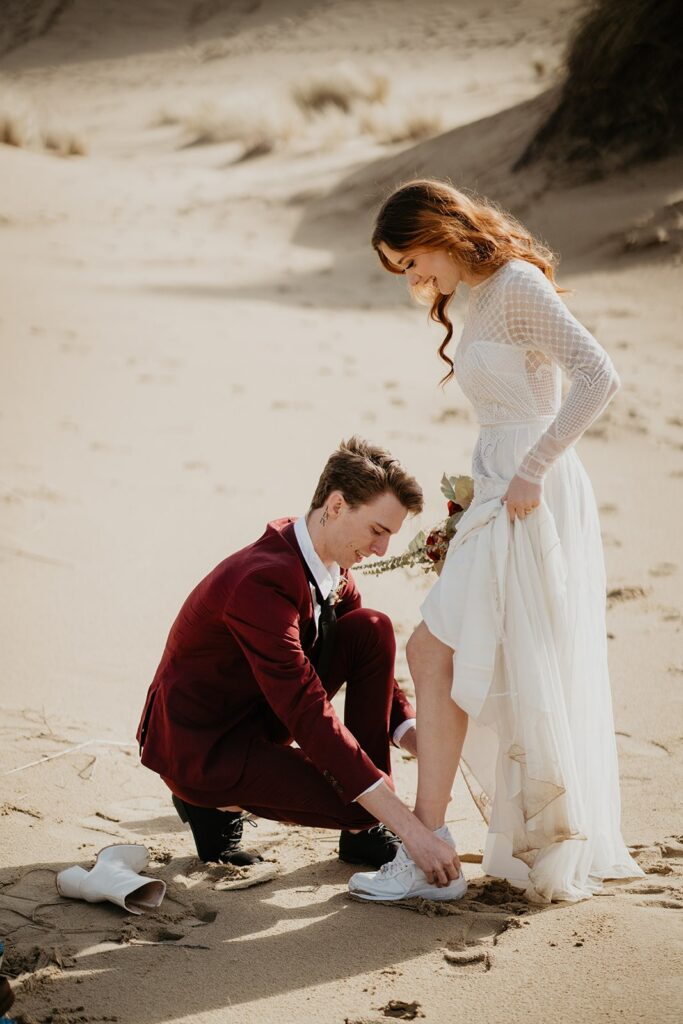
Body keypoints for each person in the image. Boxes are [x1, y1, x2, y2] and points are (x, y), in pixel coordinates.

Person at [348, 179, 644, 904]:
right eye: (403, 271)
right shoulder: (476, 296)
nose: (414, 280)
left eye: (412, 261)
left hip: (527, 493)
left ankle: (428, 846)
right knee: (468, 651)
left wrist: (533, 470)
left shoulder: (513, 285)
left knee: (435, 647)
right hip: (495, 492)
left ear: (441, 230)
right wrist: (470, 503)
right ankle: (439, 842)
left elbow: (596, 376)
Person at [137, 436, 466, 897]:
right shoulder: (262, 581)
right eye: (376, 530)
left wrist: (422, 740)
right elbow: (308, 712)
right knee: (364, 805)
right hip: (202, 746)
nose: (382, 549)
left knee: (370, 628)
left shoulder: (328, 566)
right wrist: (413, 832)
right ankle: (211, 802)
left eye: (389, 534)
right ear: (335, 506)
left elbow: (370, 664)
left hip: (254, 715)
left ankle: (361, 837)